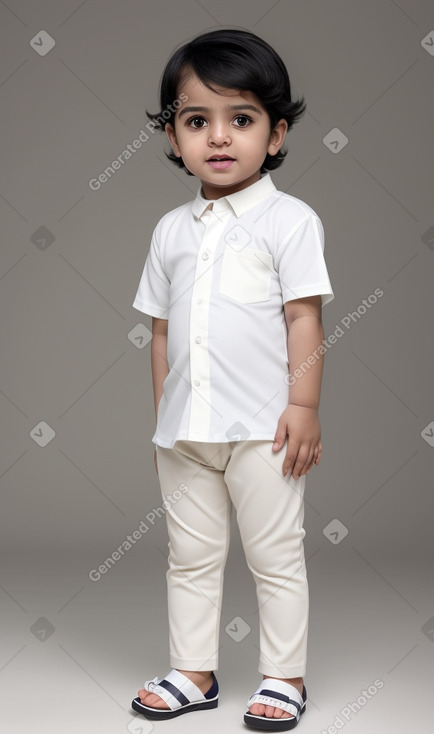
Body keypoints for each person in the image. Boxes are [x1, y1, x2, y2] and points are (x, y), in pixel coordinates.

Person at [131, 28, 334, 731]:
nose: (218, 138)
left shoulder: (290, 221)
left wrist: (302, 404)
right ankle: (194, 670)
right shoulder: (169, 231)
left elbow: (302, 317)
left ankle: (284, 676)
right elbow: (159, 330)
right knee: (188, 557)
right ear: (172, 138)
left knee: (276, 557)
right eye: (196, 121)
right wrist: (165, 412)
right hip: (185, 431)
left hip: (263, 428)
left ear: (275, 135)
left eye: (240, 119)